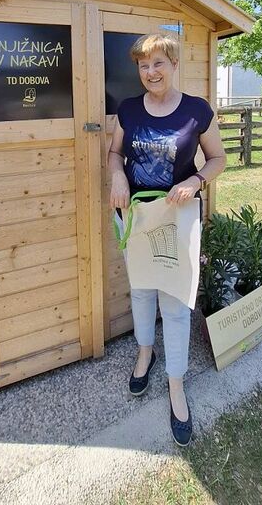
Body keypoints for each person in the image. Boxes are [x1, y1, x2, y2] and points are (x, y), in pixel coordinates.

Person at [108, 33, 226, 446]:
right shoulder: (127, 109)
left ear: (174, 64)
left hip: (177, 219)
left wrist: (195, 181)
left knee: (174, 303)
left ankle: (176, 384)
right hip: (135, 216)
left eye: (158, 63)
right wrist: (117, 175)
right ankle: (146, 353)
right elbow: (114, 153)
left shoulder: (197, 111)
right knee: (141, 290)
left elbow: (218, 159)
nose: (151, 72)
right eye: (144, 65)